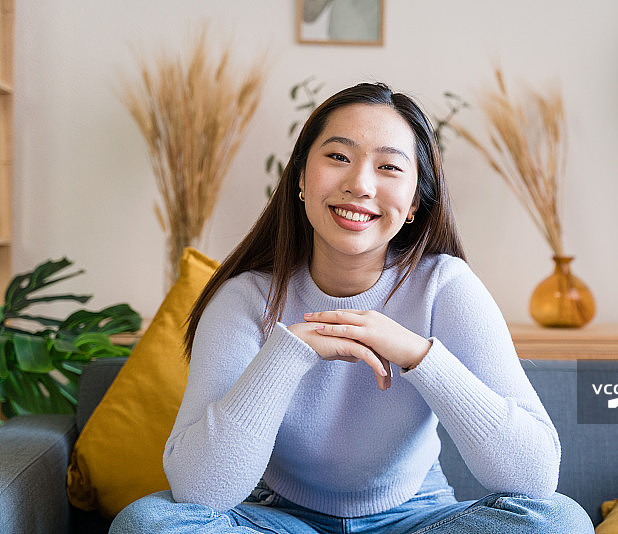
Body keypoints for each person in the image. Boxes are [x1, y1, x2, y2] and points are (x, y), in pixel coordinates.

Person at [111, 82, 593, 533]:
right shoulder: (244, 298)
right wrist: (288, 353)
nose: (360, 184)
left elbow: (534, 477)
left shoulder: (445, 287)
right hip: (278, 519)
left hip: (418, 519)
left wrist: (418, 355)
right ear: (301, 177)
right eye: (338, 156)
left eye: (389, 167)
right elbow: (200, 493)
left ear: (413, 203)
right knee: (148, 523)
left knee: (558, 521)